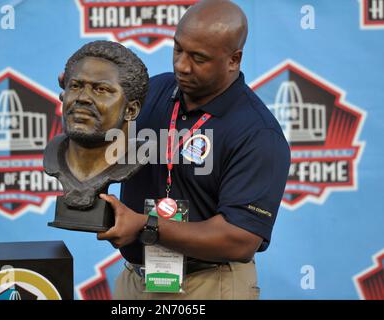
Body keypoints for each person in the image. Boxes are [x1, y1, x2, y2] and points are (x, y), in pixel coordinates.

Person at [59, 0, 290, 300]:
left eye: (199, 58)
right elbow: (102, 142)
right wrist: (85, 103)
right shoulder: (151, 92)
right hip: (136, 280)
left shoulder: (258, 133)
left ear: (234, 59)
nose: (182, 65)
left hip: (209, 285)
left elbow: (240, 238)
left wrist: (147, 225)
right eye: (178, 49)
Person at [47, 40, 149, 210]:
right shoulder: (53, 153)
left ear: (130, 110)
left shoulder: (137, 156)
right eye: (76, 86)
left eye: (101, 89)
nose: (82, 97)